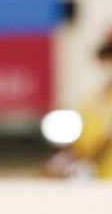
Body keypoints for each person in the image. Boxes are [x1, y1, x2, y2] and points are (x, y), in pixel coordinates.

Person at [44, 38, 112, 179]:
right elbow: (77, 138)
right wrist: (64, 159)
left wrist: (82, 161)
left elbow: (105, 141)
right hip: (94, 178)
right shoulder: (92, 99)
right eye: (106, 59)